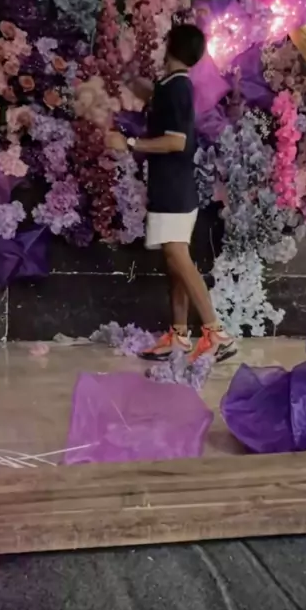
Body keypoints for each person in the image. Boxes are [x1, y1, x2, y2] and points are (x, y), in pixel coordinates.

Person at [106, 24, 236, 363]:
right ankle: (178, 335)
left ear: (169, 46)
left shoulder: (178, 87)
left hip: (173, 189)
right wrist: (130, 77)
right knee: (175, 262)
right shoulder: (171, 85)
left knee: (178, 257)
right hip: (173, 187)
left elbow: (176, 141)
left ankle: (216, 334)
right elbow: (157, 97)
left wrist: (129, 142)